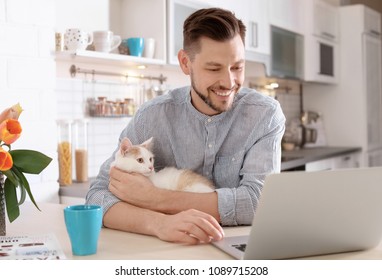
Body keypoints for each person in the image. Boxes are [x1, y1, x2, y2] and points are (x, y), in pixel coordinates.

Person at [86, 7, 285, 245]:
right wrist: (158, 223)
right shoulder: (152, 116)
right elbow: (98, 195)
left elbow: (258, 203)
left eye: (237, 67)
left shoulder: (264, 114)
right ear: (185, 63)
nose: (229, 82)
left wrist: (157, 199)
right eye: (214, 68)